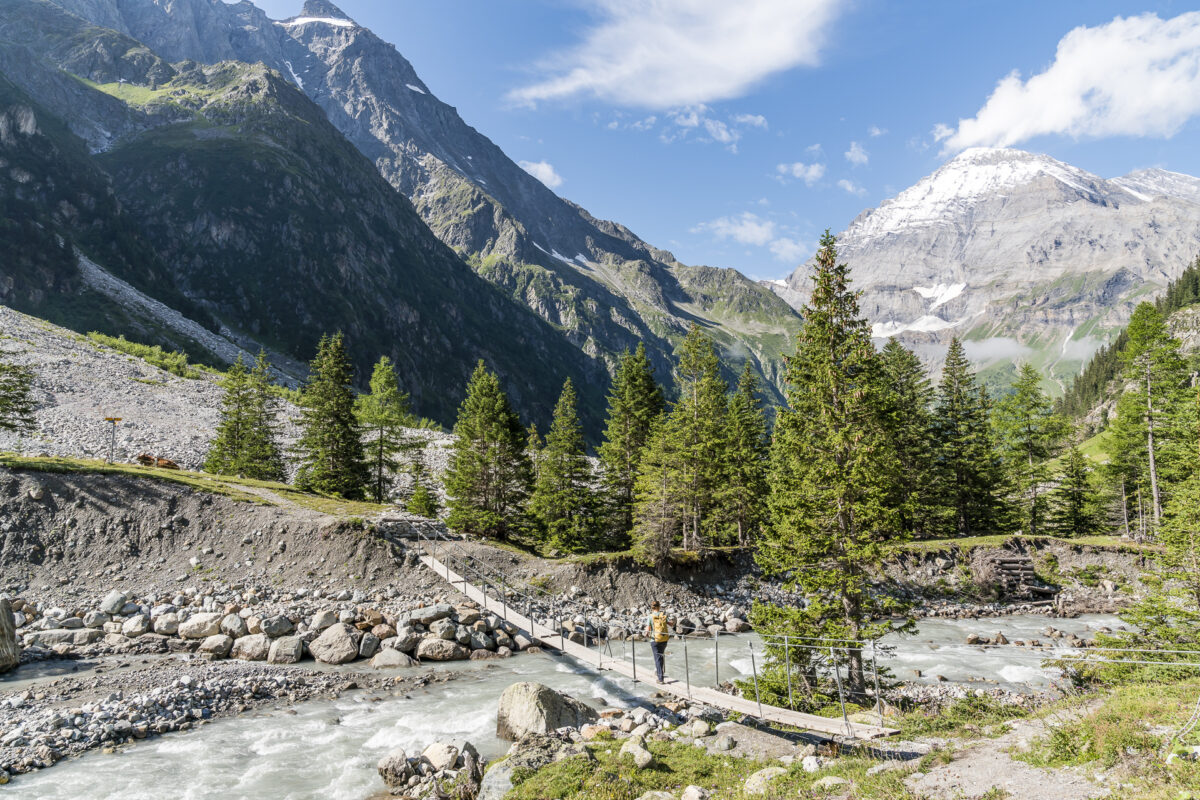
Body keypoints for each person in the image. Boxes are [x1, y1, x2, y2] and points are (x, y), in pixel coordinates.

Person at [645, 600, 670, 683]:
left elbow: (647, 630)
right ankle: (659, 672)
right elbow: (671, 623)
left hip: (654, 640)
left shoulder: (650, 616)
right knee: (661, 657)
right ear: (659, 607)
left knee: (657, 658)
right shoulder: (663, 615)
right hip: (664, 639)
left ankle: (660, 679)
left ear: (652, 608)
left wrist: (646, 634)